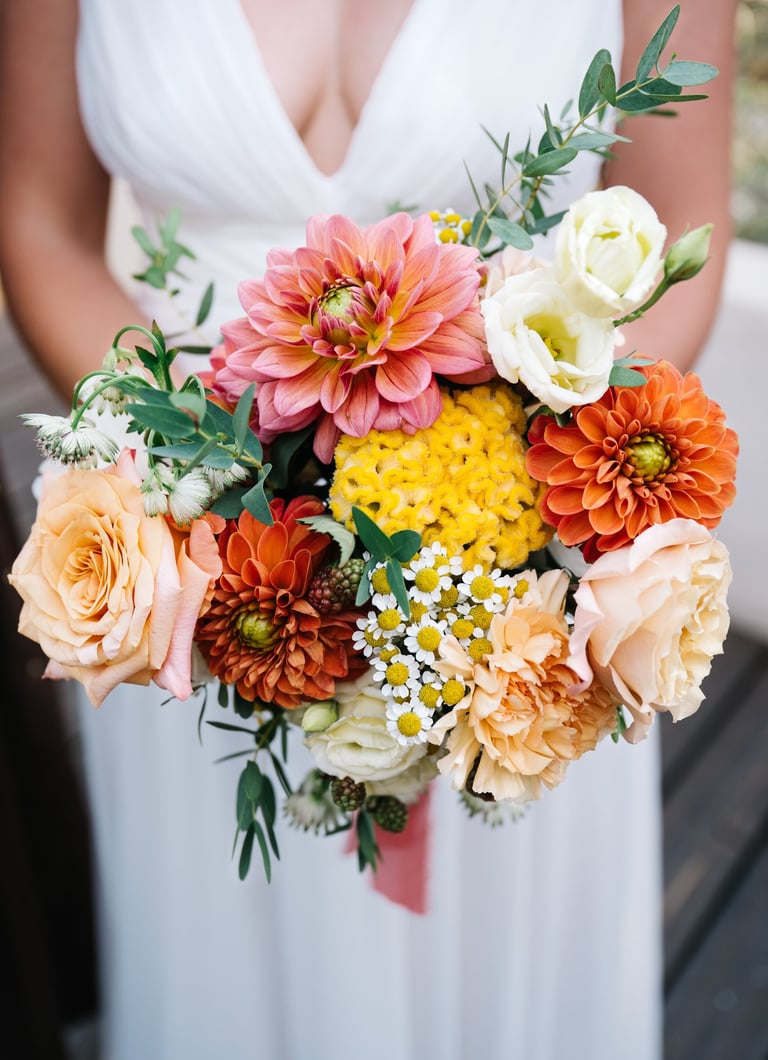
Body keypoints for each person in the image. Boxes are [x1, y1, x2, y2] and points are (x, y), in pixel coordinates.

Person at [0, 1, 737, 1057]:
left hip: (510, 590)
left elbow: (681, 231)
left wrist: (515, 499)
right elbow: (39, 221)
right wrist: (208, 469)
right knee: (227, 956)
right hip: (201, 572)